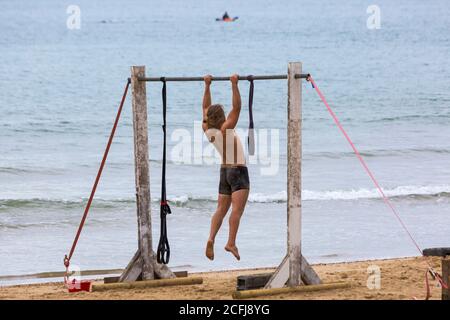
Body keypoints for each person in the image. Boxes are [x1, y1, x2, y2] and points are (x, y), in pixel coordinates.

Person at [202, 74, 250, 261]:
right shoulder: (226, 129)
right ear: (222, 118)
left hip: (224, 172)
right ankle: (231, 242)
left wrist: (207, 86)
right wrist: (234, 84)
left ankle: (211, 238)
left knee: (220, 210)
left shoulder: (208, 130)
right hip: (238, 171)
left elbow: (205, 108)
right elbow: (237, 108)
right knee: (236, 211)